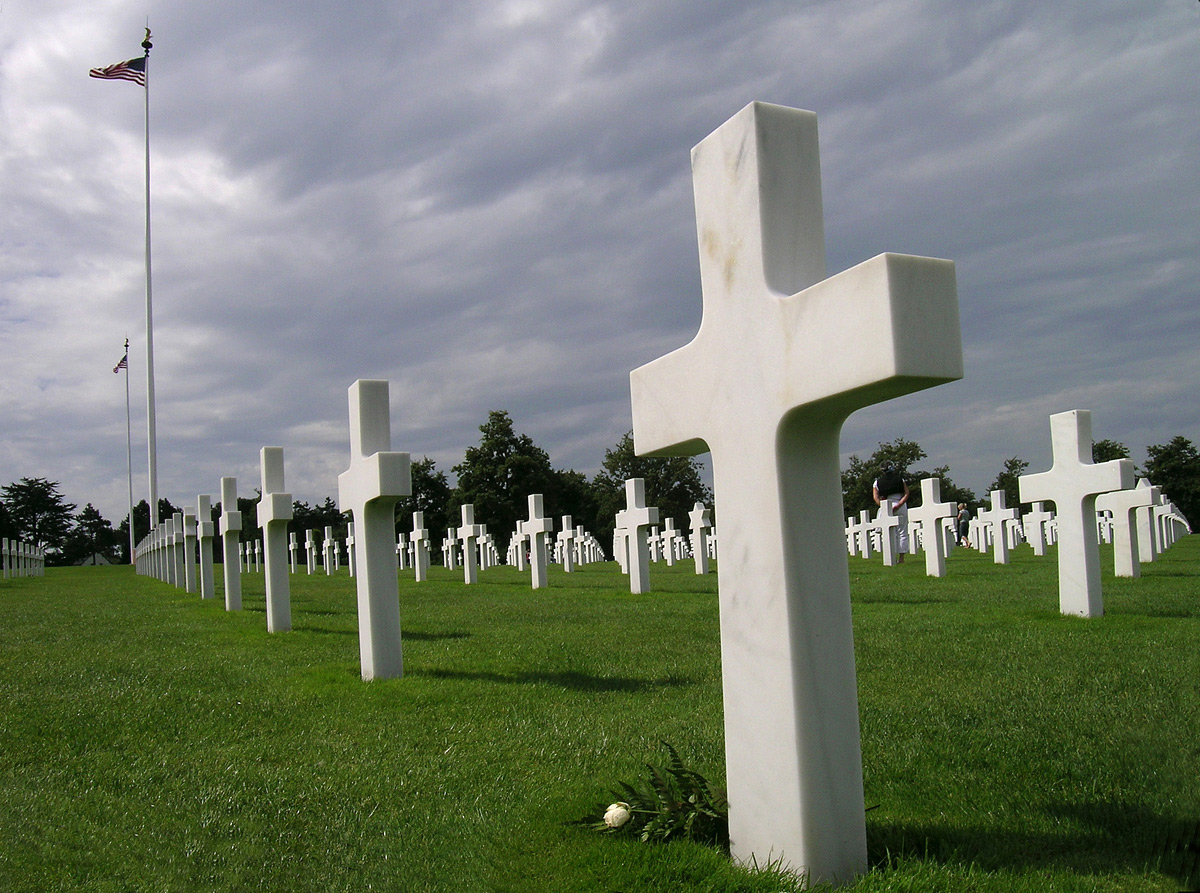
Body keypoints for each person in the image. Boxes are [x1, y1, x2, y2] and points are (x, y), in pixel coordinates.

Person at [872, 461, 910, 563]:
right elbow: (906, 493)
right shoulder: (900, 479)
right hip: (899, 504)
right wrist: (899, 504)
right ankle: (901, 558)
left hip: (886, 505)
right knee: (902, 532)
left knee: (888, 533)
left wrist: (884, 506)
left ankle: (890, 556)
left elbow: (875, 497)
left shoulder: (877, 482)